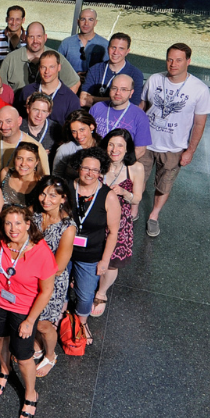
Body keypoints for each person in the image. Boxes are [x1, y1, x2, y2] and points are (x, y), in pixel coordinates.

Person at [0, 204, 57, 418]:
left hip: (23, 309)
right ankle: (5, 370)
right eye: (8, 223)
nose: (13, 228)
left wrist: (30, 321)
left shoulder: (41, 252)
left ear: (27, 224)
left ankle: (30, 394)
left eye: (18, 223)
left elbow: (46, 291)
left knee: (24, 356)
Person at [141, 43, 210, 237]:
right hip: (146, 142)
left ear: (188, 61)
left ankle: (154, 216)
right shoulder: (155, 79)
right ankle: (131, 210)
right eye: (170, 59)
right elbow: (142, 106)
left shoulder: (199, 89)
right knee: (136, 180)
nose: (173, 64)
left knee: (164, 185)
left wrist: (190, 151)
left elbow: (199, 124)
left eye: (179, 60)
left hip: (174, 148)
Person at [90, 129, 145, 318]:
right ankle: (87, 284)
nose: (115, 149)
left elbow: (137, 198)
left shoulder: (135, 168)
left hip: (119, 220)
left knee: (112, 262)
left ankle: (101, 292)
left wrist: (123, 192)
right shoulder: (97, 163)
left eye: (120, 145)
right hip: (95, 217)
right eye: (111, 144)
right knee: (91, 254)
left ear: (127, 148)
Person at [69, 147, 121, 345]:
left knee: (85, 292)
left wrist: (105, 260)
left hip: (90, 254)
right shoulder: (67, 188)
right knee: (60, 286)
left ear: (101, 172)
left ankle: (82, 322)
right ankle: (59, 318)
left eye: (95, 170)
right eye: (85, 168)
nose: (90, 173)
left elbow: (113, 232)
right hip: (63, 250)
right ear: (78, 168)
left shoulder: (108, 196)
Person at [31, 176, 76, 378]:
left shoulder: (68, 227)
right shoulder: (34, 214)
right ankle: (36, 346)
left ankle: (50, 355)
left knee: (44, 323)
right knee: (29, 317)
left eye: (52, 195)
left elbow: (58, 267)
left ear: (63, 199)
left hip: (51, 282)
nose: (45, 199)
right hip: (29, 276)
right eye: (43, 193)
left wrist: (31, 266)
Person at [0, 23, 79, 93]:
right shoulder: (11, 59)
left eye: (39, 36)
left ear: (45, 37)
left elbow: (75, 82)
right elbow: (0, 87)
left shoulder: (56, 57)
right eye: (31, 37)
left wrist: (60, 105)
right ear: (25, 38)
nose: (35, 41)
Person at [90, 74, 151, 157]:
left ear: (131, 93)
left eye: (124, 89)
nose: (118, 93)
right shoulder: (97, 107)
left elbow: (140, 150)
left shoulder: (140, 116)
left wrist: (119, 165)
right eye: (114, 88)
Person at [15, 50, 82, 127]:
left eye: (51, 67)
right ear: (39, 68)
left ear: (59, 67)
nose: (47, 71)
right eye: (43, 67)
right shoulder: (26, 91)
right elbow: (18, 120)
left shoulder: (71, 99)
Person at [0, 105, 51, 177]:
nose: (3, 126)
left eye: (8, 121)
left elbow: (45, 180)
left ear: (19, 121)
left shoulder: (36, 147)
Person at [80, 33, 145, 108]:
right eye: (113, 47)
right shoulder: (95, 69)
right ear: (108, 48)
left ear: (127, 51)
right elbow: (83, 101)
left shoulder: (135, 74)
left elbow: (133, 105)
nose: (116, 52)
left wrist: (93, 99)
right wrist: (119, 100)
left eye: (121, 48)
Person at [0, 143, 43, 217]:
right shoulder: (5, 173)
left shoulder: (41, 183)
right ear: (14, 159)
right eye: (19, 158)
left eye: (29, 160)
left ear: (36, 162)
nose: (23, 164)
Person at [58, 8, 108, 77]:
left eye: (90, 20)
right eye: (83, 19)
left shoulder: (105, 45)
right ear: (78, 22)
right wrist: (74, 78)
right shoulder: (66, 43)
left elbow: (107, 70)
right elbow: (57, 66)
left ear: (95, 22)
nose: (86, 23)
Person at [52, 109, 100, 178]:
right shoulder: (65, 149)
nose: (79, 136)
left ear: (91, 127)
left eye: (82, 130)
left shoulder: (103, 145)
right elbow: (56, 176)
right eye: (74, 132)